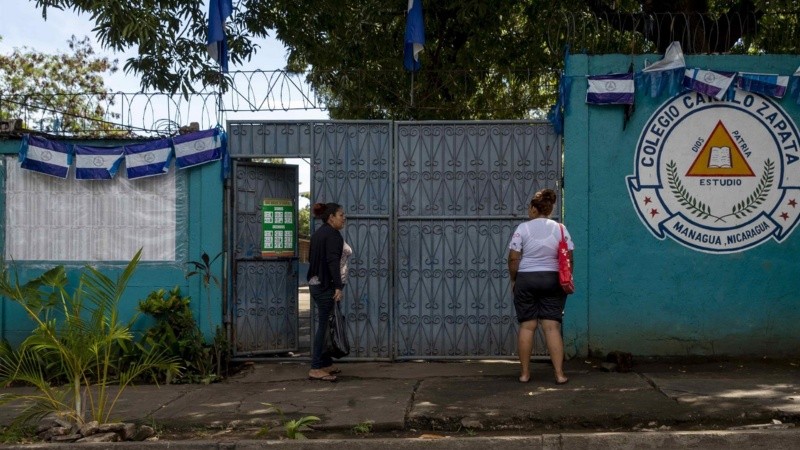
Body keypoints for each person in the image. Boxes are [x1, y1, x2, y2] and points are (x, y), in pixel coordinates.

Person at [507, 189, 573, 384]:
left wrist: (514, 279)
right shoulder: (560, 229)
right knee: (552, 327)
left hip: (526, 279)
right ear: (551, 208)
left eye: (529, 207)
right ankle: (560, 374)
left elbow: (513, 257)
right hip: (553, 280)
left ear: (534, 209)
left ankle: (525, 374)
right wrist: (567, 277)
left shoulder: (522, 229)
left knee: (527, 327)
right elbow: (568, 256)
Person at [307, 202, 348, 382]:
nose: (344, 218)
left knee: (327, 323)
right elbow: (332, 262)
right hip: (325, 287)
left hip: (316, 283)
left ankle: (325, 362)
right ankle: (316, 367)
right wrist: (338, 287)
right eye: (341, 215)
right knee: (324, 326)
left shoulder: (318, 234)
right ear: (331, 217)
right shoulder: (333, 235)